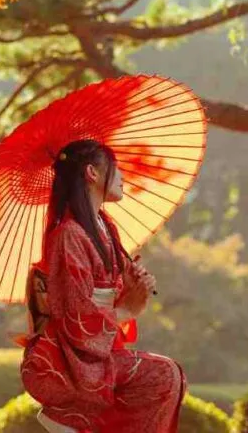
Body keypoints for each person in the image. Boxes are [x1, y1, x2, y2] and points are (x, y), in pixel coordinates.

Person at [18, 139, 187, 432]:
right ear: (92, 173)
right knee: (164, 375)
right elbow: (74, 313)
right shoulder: (68, 234)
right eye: (117, 168)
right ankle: (72, 415)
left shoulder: (106, 228)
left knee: (168, 376)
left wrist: (132, 289)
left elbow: (111, 296)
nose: (122, 177)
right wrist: (124, 310)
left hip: (100, 347)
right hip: (74, 360)